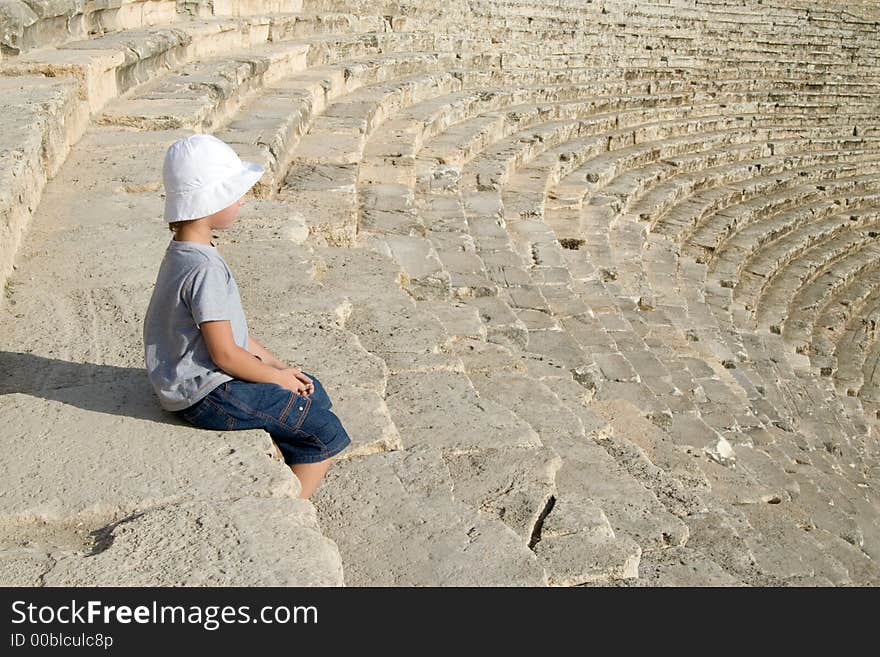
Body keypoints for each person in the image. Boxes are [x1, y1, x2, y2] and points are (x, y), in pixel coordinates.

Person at [142, 133, 351, 499]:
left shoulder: (184, 251)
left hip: (201, 381)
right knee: (327, 433)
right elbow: (225, 355)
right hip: (206, 395)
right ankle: (290, 513)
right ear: (210, 203)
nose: (241, 200)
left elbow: (233, 336)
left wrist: (279, 368)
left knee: (310, 386)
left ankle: (285, 450)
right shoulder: (204, 268)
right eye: (233, 194)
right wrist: (277, 379)